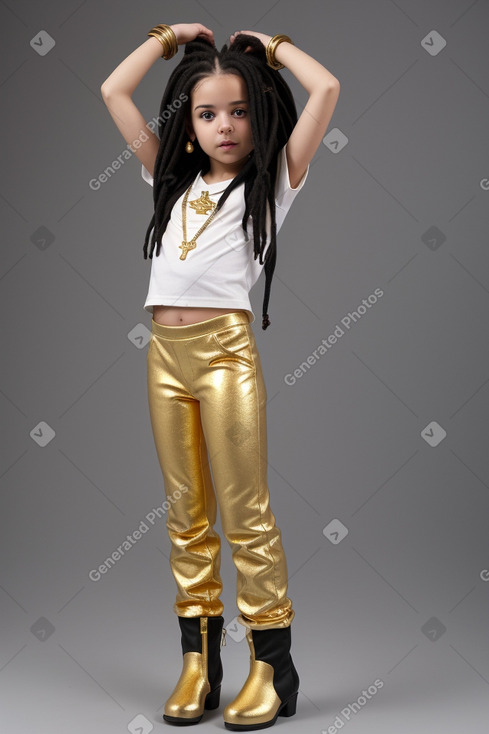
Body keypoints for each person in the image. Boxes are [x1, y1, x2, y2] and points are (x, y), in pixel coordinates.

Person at [101, 22, 340, 729]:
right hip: (163, 357)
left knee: (245, 514)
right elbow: (114, 90)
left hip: (226, 355)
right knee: (185, 514)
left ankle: (271, 664)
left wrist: (272, 47)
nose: (224, 125)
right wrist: (165, 39)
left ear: (258, 114)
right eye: (206, 113)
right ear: (187, 123)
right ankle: (199, 663)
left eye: (238, 110)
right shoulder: (168, 179)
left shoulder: (271, 184)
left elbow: (325, 87)